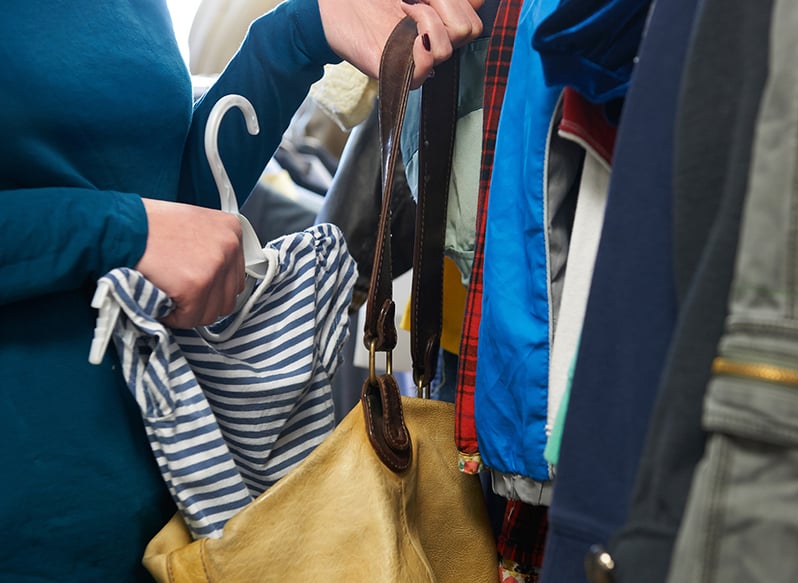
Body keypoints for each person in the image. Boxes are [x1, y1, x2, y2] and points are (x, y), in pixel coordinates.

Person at [0, 0, 481, 580]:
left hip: (173, 507)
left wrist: (301, 35)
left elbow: (171, 209)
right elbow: (138, 225)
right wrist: (119, 230)